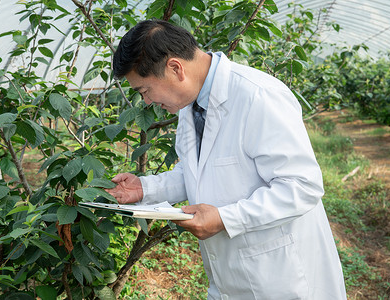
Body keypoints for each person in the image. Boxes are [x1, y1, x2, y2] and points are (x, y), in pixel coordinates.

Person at [107, 19, 347, 299]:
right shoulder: (190, 104)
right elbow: (197, 170)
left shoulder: (259, 96)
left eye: (145, 90)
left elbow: (302, 186)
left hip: (281, 277)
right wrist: (146, 189)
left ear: (175, 68)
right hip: (230, 278)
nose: (147, 102)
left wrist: (225, 218)